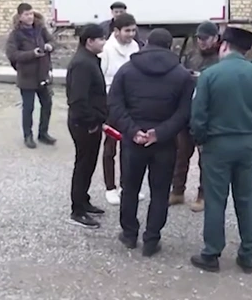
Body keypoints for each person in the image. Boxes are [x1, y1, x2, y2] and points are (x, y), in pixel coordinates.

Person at [189, 27, 252, 274]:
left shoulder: (209, 75)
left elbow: (198, 115)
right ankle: (248, 254)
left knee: (216, 200)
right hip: (247, 144)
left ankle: (211, 253)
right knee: (247, 200)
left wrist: (201, 140)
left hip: (217, 145)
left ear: (224, 45)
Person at [109, 29, 194, 257]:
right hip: (164, 143)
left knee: (129, 189)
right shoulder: (182, 75)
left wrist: (133, 130)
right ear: (170, 46)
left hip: (133, 141)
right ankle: (151, 239)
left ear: (146, 43)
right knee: (160, 192)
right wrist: (159, 133)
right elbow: (184, 112)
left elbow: (115, 105)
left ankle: (129, 234)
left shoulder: (127, 70)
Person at [171, 21, 221, 212]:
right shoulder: (191, 55)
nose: (201, 42)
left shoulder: (220, 59)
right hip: (187, 112)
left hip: (208, 115)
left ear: (215, 38)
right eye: (199, 38)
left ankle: (203, 195)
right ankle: (177, 191)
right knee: (181, 154)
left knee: (205, 159)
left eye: (205, 38)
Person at [66, 24, 108, 228]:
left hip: (92, 122)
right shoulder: (82, 64)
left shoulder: (90, 59)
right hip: (83, 124)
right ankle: (77, 210)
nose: (104, 42)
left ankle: (84, 199)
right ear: (89, 41)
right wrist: (91, 121)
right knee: (83, 164)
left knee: (89, 163)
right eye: (101, 39)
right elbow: (77, 99)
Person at [99, 13, 142, 205]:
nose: (131, 34)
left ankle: (127, 186)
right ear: (116, 31)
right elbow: (101, 78)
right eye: (127, 31)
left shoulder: (135, 46)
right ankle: (110, 187)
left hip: (131, 102)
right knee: (110, 146)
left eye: (133, 30)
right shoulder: (107, 49)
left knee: (129, 146)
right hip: (112, 102)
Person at [5, 2, 57, 149]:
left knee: (47, 104)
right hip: (27, 76)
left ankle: (43, 133)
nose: (30, 17)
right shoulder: (15, 34)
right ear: (20, 17)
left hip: (43, 74)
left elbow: (52, 41)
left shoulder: (40, 28)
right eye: (26, 14)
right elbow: (12, 54)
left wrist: (50, 46)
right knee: (28, 108)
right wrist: (32, 54)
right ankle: (28, 136)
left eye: (31, 14)